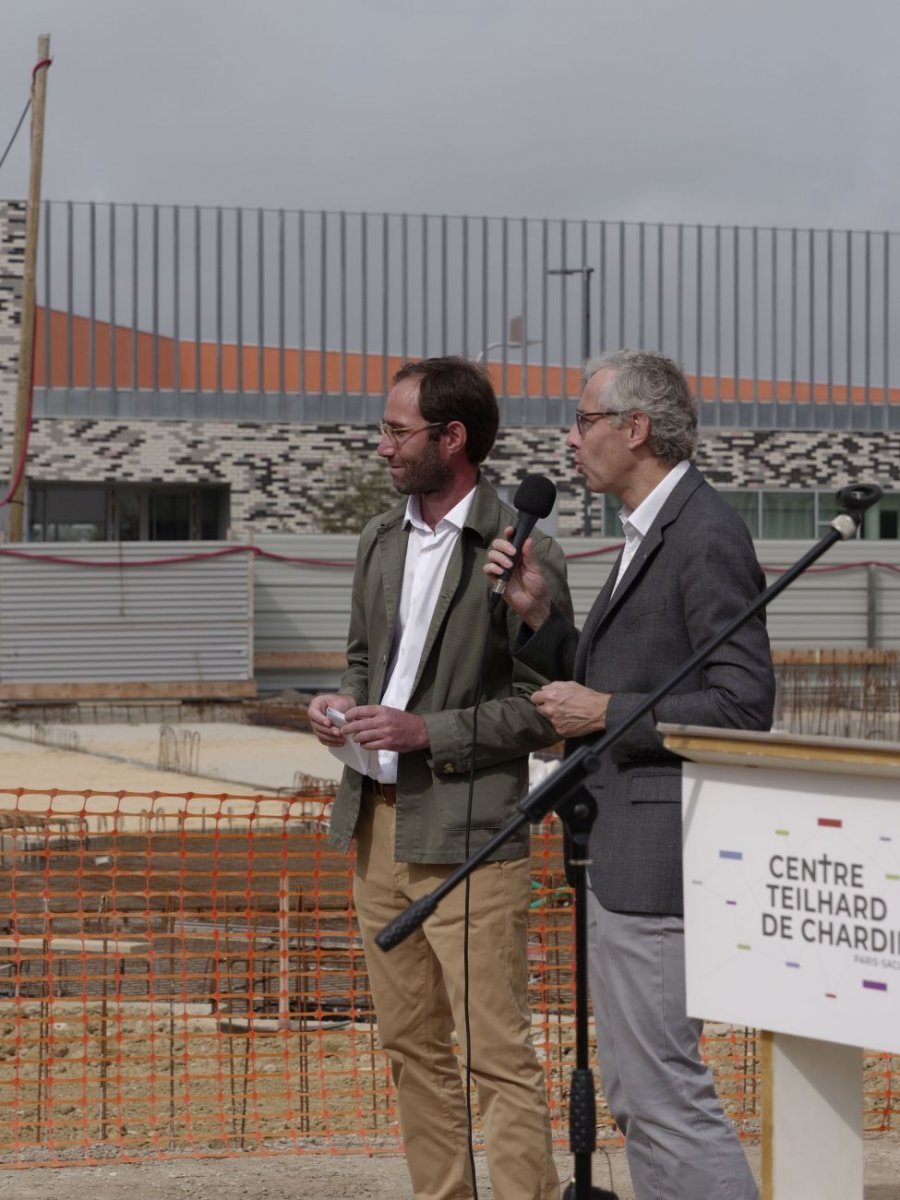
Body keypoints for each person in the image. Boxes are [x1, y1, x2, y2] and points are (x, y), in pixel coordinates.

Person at [485, 349, 775, 1200]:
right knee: (638, 1098)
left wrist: (606, 713)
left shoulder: (704, 532)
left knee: (664, 1096)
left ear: (635, 429)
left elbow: (740, 704)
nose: (569, 439)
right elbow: (627, 678)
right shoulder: (651, 530)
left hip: (659, 860)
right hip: (625, 854)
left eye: (583, 421)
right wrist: (540, 620)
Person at [308, 355, 572, 1200]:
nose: (380, 445)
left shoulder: (521, 548)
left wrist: (430, 732)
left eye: (396, 430)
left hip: (471, 838)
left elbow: (547, 705)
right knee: (411, 1048)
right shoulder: (379, 539)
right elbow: (362, 664)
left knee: (496, 1055)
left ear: (451, 438)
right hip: (376, 825)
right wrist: (339, 709)